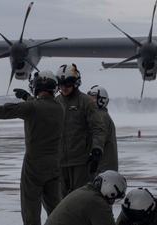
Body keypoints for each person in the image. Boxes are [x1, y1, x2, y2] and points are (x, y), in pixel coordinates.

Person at [0, 71, 65, 225]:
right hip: (54, 165)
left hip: (34, 166)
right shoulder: (60, 108)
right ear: (53, 88)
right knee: (56, 208)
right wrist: (26, 97)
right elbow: (42, 105)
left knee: (30, 209)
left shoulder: (32, 107)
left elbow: (2, 111)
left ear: (35, 87)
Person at [55, 63, 106, 199]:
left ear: (76, 83)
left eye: (67, 84)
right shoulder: (56, 102)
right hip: (60, 163)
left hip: (81, 163)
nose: (64, 88)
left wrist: (97, 151)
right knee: (61, 203)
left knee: (81, 200)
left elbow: (98, 129)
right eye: (61, 85)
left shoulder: (86, 102)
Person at [45, 170, 127, 225]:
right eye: (114, 197)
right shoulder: (97, 203)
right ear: (110, 189)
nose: (112, 202)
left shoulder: (85, 191)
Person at [87, 85, 118, 173]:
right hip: (105, 166)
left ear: (101, 100)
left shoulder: (101, 118)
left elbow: (98, 139)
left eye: (93, 98)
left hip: (102, 166)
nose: (90, 101)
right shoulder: (101, 115)